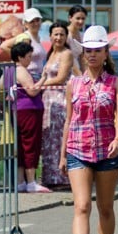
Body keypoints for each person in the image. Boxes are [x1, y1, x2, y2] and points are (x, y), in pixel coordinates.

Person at [59, 25, 118, 234]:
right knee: (82, 205)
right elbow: (68, 120)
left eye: (97, 50)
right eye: (88, 51)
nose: (92, 55)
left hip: (107, 150)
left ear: (106, 52)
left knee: (106, 207)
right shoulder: (73, 84)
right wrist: (63, 154)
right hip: (78, 148)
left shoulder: (115, 83)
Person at [6, 41, 51, 193]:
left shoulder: (7, 70)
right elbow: (32, 90)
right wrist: (43, 78)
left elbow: (1, 87)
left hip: (16, 109)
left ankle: (20, 181)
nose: (30, 60)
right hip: (29, 110)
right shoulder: (21, 70)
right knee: (31, 144)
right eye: (28, 57)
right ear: (20, 57)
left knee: (20, 145)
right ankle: (31, 181)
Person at [40, 20, 78, 188]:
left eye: (62, 34)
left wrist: (39, 84)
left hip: (61, 100)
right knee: (48, 139)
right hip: (48, 101)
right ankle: (50, 177)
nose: (59, 37)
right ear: (50, 36)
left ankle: (63, 177)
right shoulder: (50, 54)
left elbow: (61, 77)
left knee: (60, 138)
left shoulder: (66, 54)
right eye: (56, 34)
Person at [1, 7, 46, 81]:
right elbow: (4, 46)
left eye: (37, 20)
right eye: (32, 21)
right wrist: (17, 58)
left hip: (37, 76)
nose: (35, 23)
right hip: (29, 76)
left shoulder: (39, 38)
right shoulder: (25, 37)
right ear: (25, 24)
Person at [66, 5, 88, 71]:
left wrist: (85, 75)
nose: (80, 21)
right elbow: (68, 59)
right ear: (70, 18)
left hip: (77, 72)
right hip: (65, 70)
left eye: (83, 18)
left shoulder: (82, 36)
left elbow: (82, 59)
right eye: (78, 18)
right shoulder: (65, 35)